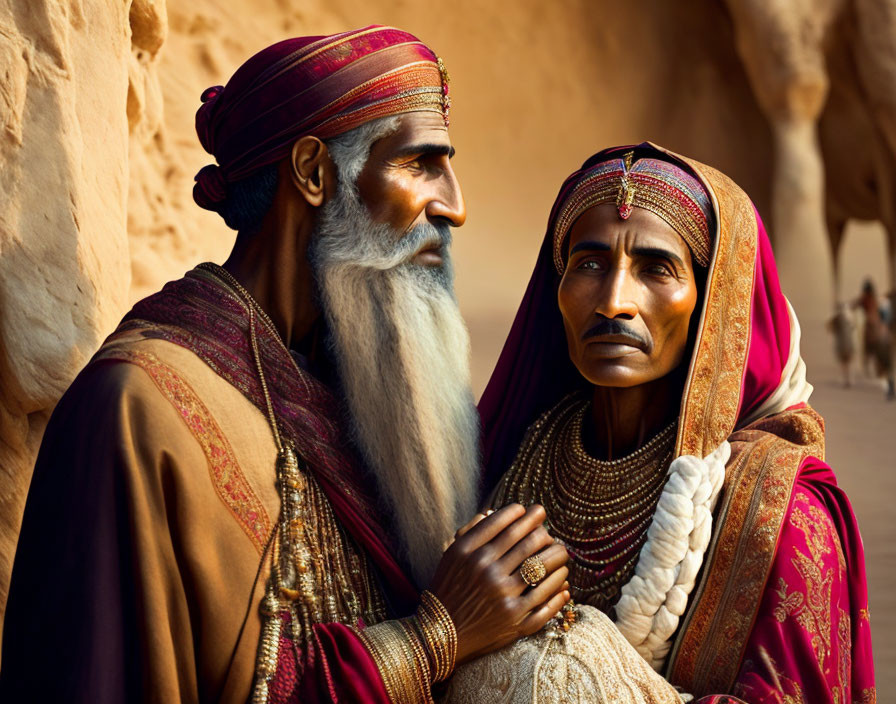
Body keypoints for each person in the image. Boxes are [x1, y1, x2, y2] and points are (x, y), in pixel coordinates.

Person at [0, 27, 571, 703]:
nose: (455, 205)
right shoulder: (137, 409)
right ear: (313, 172)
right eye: (420, 165)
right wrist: (435, 638)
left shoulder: (362, 403)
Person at [475, 145, 876, 702]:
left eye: (656, 268)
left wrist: (577, 670)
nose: (615, 301)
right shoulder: (512, 456)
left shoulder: (781, 515)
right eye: (588, 264)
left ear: (713, 300)